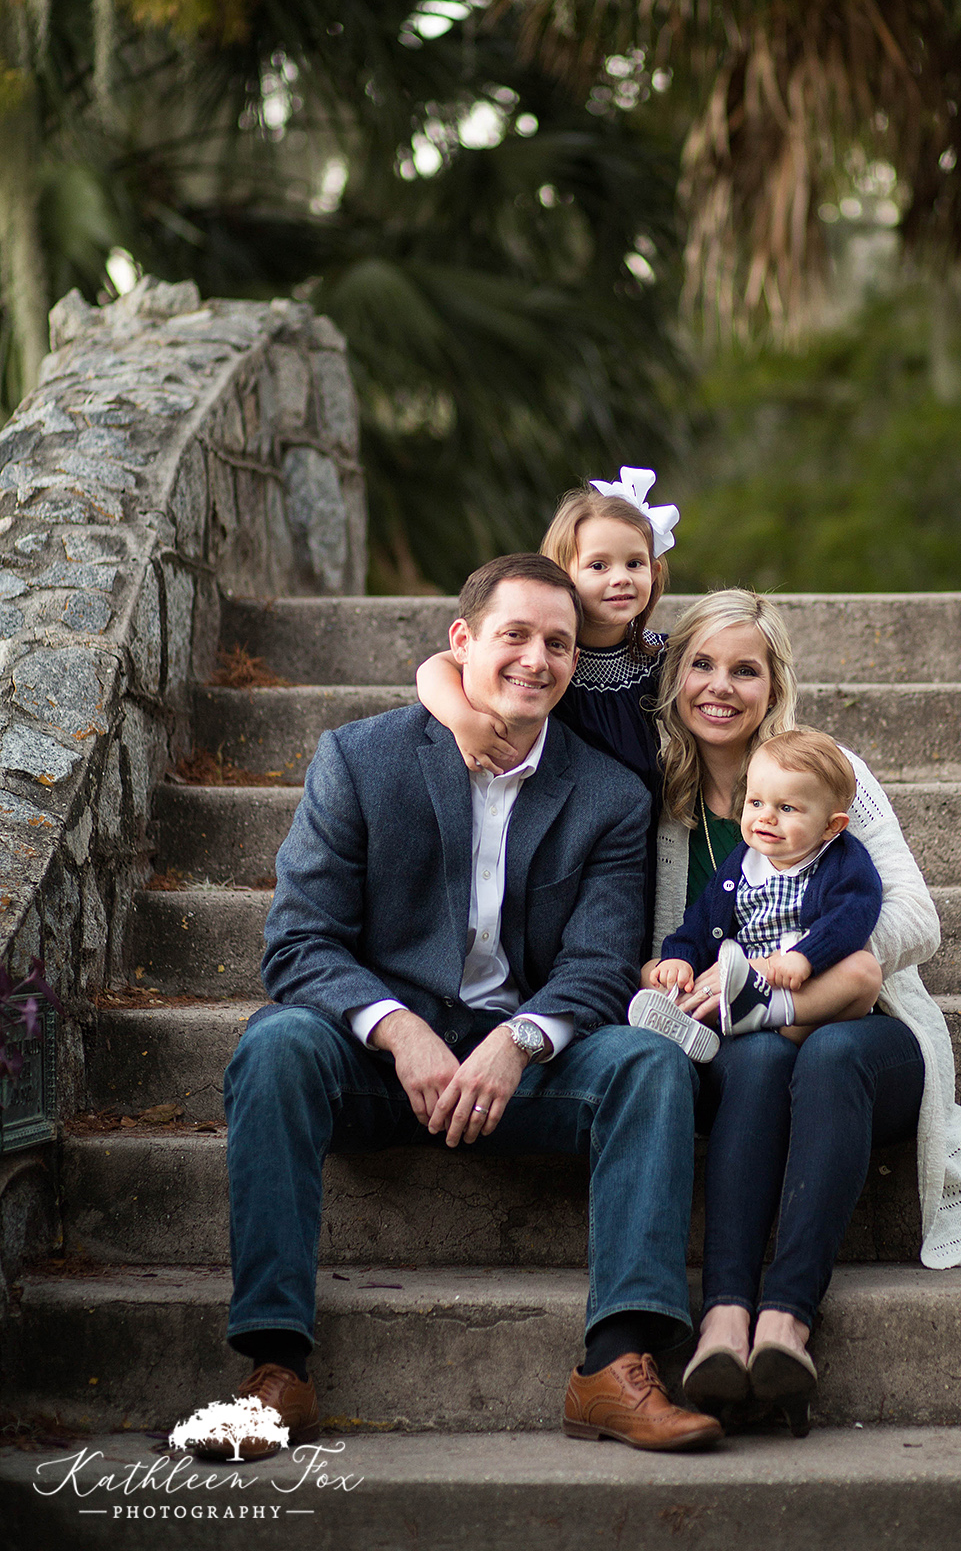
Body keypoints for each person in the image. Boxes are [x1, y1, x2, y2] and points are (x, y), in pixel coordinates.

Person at [204, 553, 723, 1460]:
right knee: (277, 1045)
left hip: (528, 1069)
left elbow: (601, 965)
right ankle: (275, 1370)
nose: (536, 659)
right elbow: (298, 941)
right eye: (514, 636)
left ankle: (615, 1363)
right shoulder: (360, 759)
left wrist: (519, 1042)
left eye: (558, 644)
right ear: (463, 642)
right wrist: (397, 1029)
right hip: (376, 1063)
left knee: (649, 1060)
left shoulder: (611, 795)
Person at [641, 590, 961, 1434]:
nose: (721, 686)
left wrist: (804, 973)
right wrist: (680, 976)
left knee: (825, 1056)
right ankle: (724, 1321)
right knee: (760, 1059)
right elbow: (672, 940)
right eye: (702, 665)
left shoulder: (829, 771)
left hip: (869, 1038)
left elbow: (915, 917)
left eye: (745, 669)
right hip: (742, 1047)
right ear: (674, 677)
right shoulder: (661, 803)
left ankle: (787, 1322)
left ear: (774, 682)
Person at [417, 467, 679, 946]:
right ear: (563, 572)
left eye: (634, 564)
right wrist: (462, 721)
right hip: (550, 810)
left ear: (654, 571)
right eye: (599, 566)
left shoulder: (658, 655)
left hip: (633, 823)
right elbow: (435, 667)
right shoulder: (547, 659)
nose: (620, 579)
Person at [632, 728, 883, 1055]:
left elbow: (850, 919)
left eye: (787, 808)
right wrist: (681, 959)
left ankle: (763, 1011)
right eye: (756, 802)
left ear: (830, 826)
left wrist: (805, 957)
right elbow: (699, 921)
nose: (766, 817)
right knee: (653, 971)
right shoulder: (740, 864)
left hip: (799, 996)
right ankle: (688, 1015)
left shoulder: (843, 862)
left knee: (865, 971)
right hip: (733, 984)